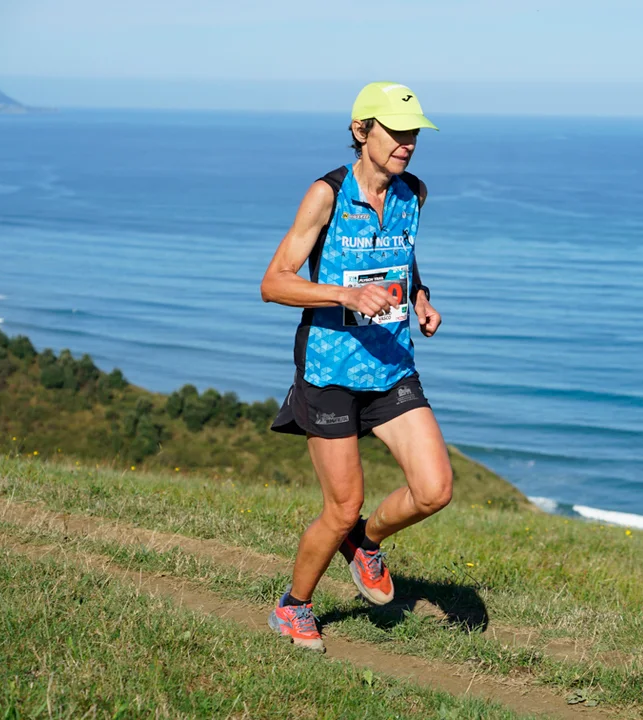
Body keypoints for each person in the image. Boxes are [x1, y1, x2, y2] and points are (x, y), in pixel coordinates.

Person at [259, 82, 451, 652]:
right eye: (396, 131)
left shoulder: (414, 193)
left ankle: (365, 543)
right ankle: (293, 607)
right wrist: (344, 295)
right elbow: (274, 283)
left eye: (413, 133)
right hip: (330, 372)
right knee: (341, 508)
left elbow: (402, 256)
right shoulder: (327, 195)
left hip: (390, 365)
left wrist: (420, 297)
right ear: (361, 131)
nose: (407, 143)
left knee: (434, 490)